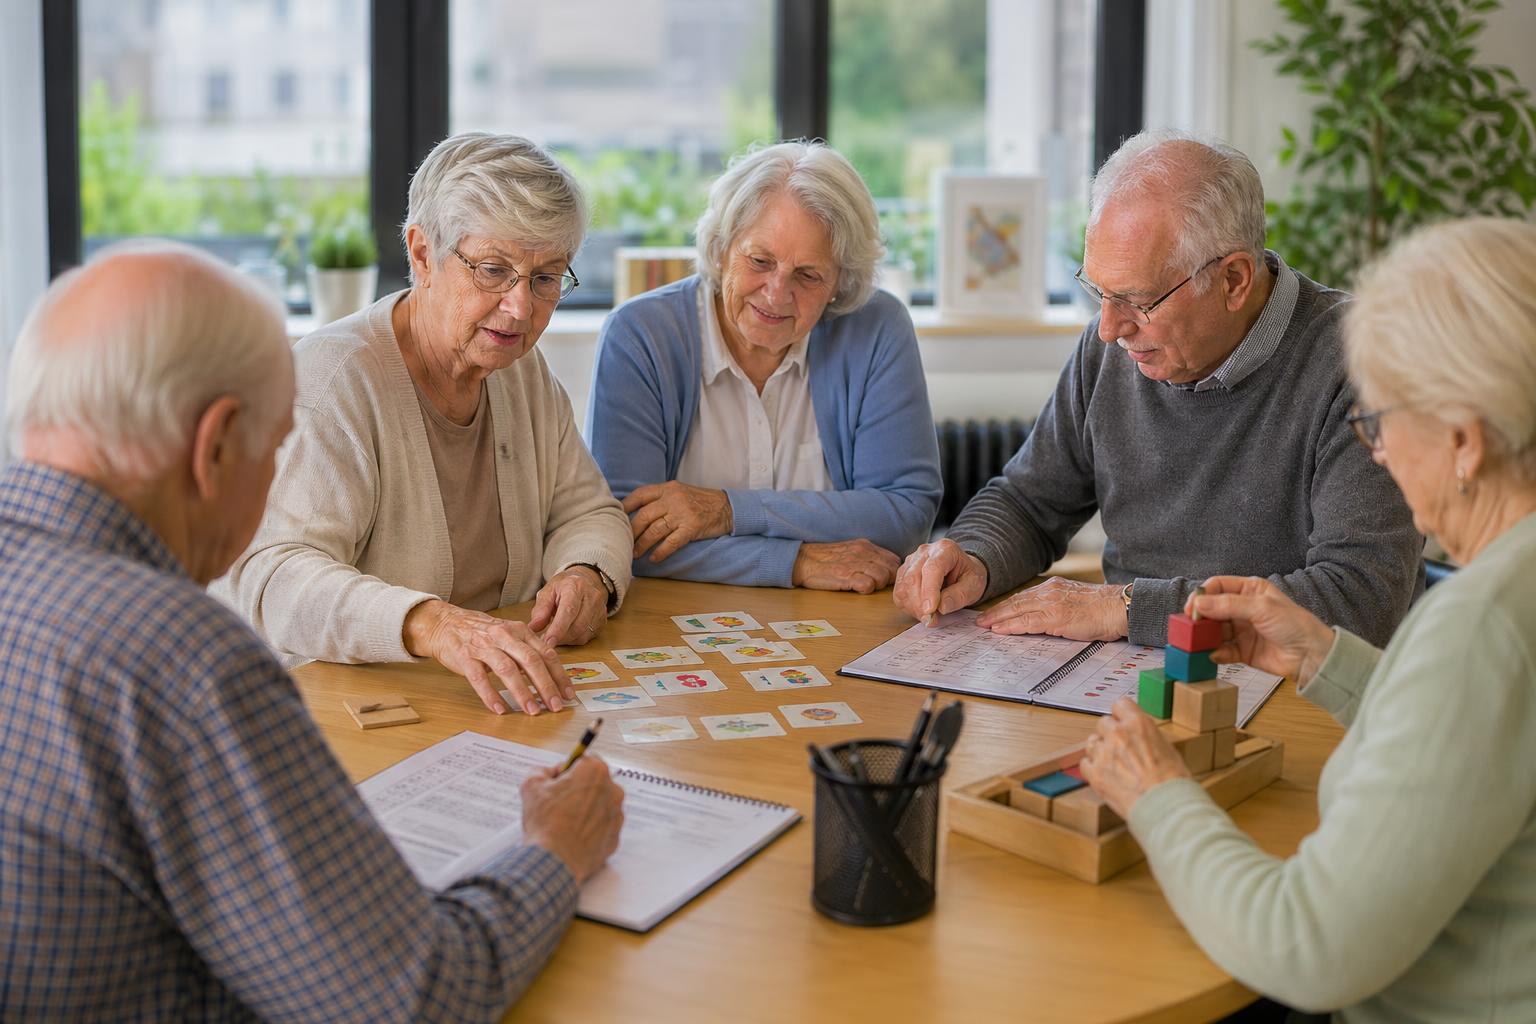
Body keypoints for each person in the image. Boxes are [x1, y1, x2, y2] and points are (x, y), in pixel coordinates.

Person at [0, 242, 625, 1020]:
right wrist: (554, 852)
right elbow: (413, 998)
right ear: (217, 445)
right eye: (273, 448)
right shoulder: (186, 662)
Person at [1081, 218, 1536, 1020]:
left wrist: (1156, 794)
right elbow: (1479, 746)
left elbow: (1305, 949)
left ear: (1465, 443)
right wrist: (1334, 661)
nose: (1380, 454)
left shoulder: (1479, 624)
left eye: (1383, 424)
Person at [893, 130, 1422, 648]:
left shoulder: (1362, 362)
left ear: (1234, 280)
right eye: (1097, 291)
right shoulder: (1115, 346)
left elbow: (1360, 599)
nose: (1108, 328)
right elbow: (1031, 502)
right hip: (1122, 670)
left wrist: (1125, 608)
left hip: (1290, 691)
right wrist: (972, 555)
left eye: (1137, 300)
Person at [216, 133, 632, 717]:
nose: (520, 308)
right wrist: (431, 624)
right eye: (493, 270)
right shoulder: (335, 378)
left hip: (494, 701)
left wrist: (587, 572)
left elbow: (589, 511)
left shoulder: (517, 365)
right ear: (420, 254)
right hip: (355, 712)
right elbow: (272, 577)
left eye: (546, 278)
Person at [587, 141, 941, 592]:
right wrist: (796, 562)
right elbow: (626, 533)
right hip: (672, 619)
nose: (776, 294)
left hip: (835, 621)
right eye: (759, 261)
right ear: (720, 250)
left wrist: (726, 511)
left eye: (808, 275)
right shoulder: (641, 335)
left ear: (839, 282)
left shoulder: (876, 328)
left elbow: (904, 516)